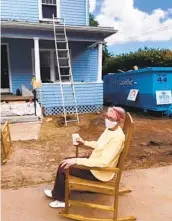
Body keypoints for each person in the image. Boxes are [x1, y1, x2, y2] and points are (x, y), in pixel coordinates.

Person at [44, 107, 126, 208]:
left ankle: (62, 200)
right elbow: (100, 145)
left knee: (63, 167)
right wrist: (84, 143)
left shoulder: (117, 138)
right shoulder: (111, 130)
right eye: (106, 117)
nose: (107, 120)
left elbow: (103, 162)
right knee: (66, 160)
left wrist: (77, 160)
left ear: (120, 120)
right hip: (95, 164)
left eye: (111, 119)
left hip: (100, 172)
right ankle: (56, 193)